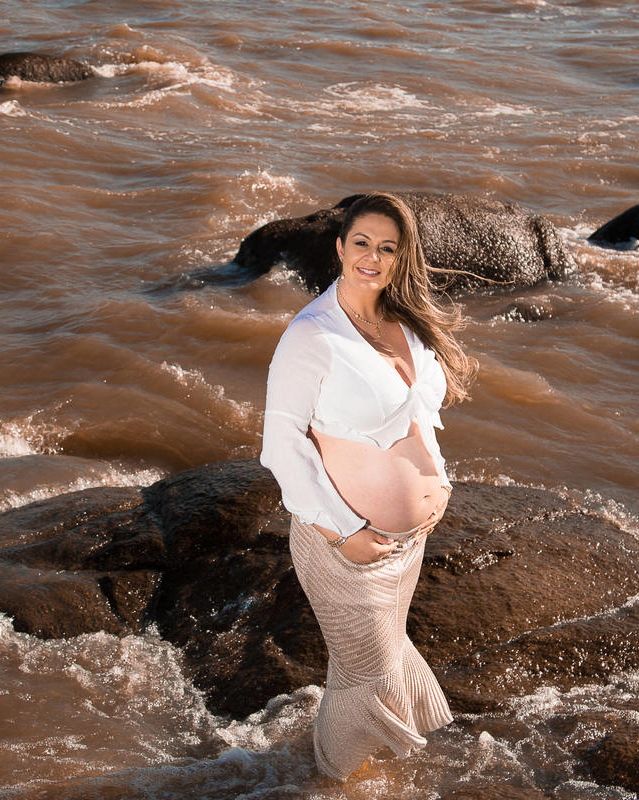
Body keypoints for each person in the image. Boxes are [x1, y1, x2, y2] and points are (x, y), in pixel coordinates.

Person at [260, 192, 476, 781]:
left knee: (381, 659)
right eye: (362, 243)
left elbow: (415, 416)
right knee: (364, 679)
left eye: (387, 247)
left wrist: (439, 480)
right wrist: (343, 531)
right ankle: (329, 783)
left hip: (405, 545)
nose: (372, 258)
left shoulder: (404, 322)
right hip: (348, 546)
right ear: (339, 247)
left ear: (402, 256)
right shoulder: (313, 335)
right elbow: (281, 447)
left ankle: (379, 772)